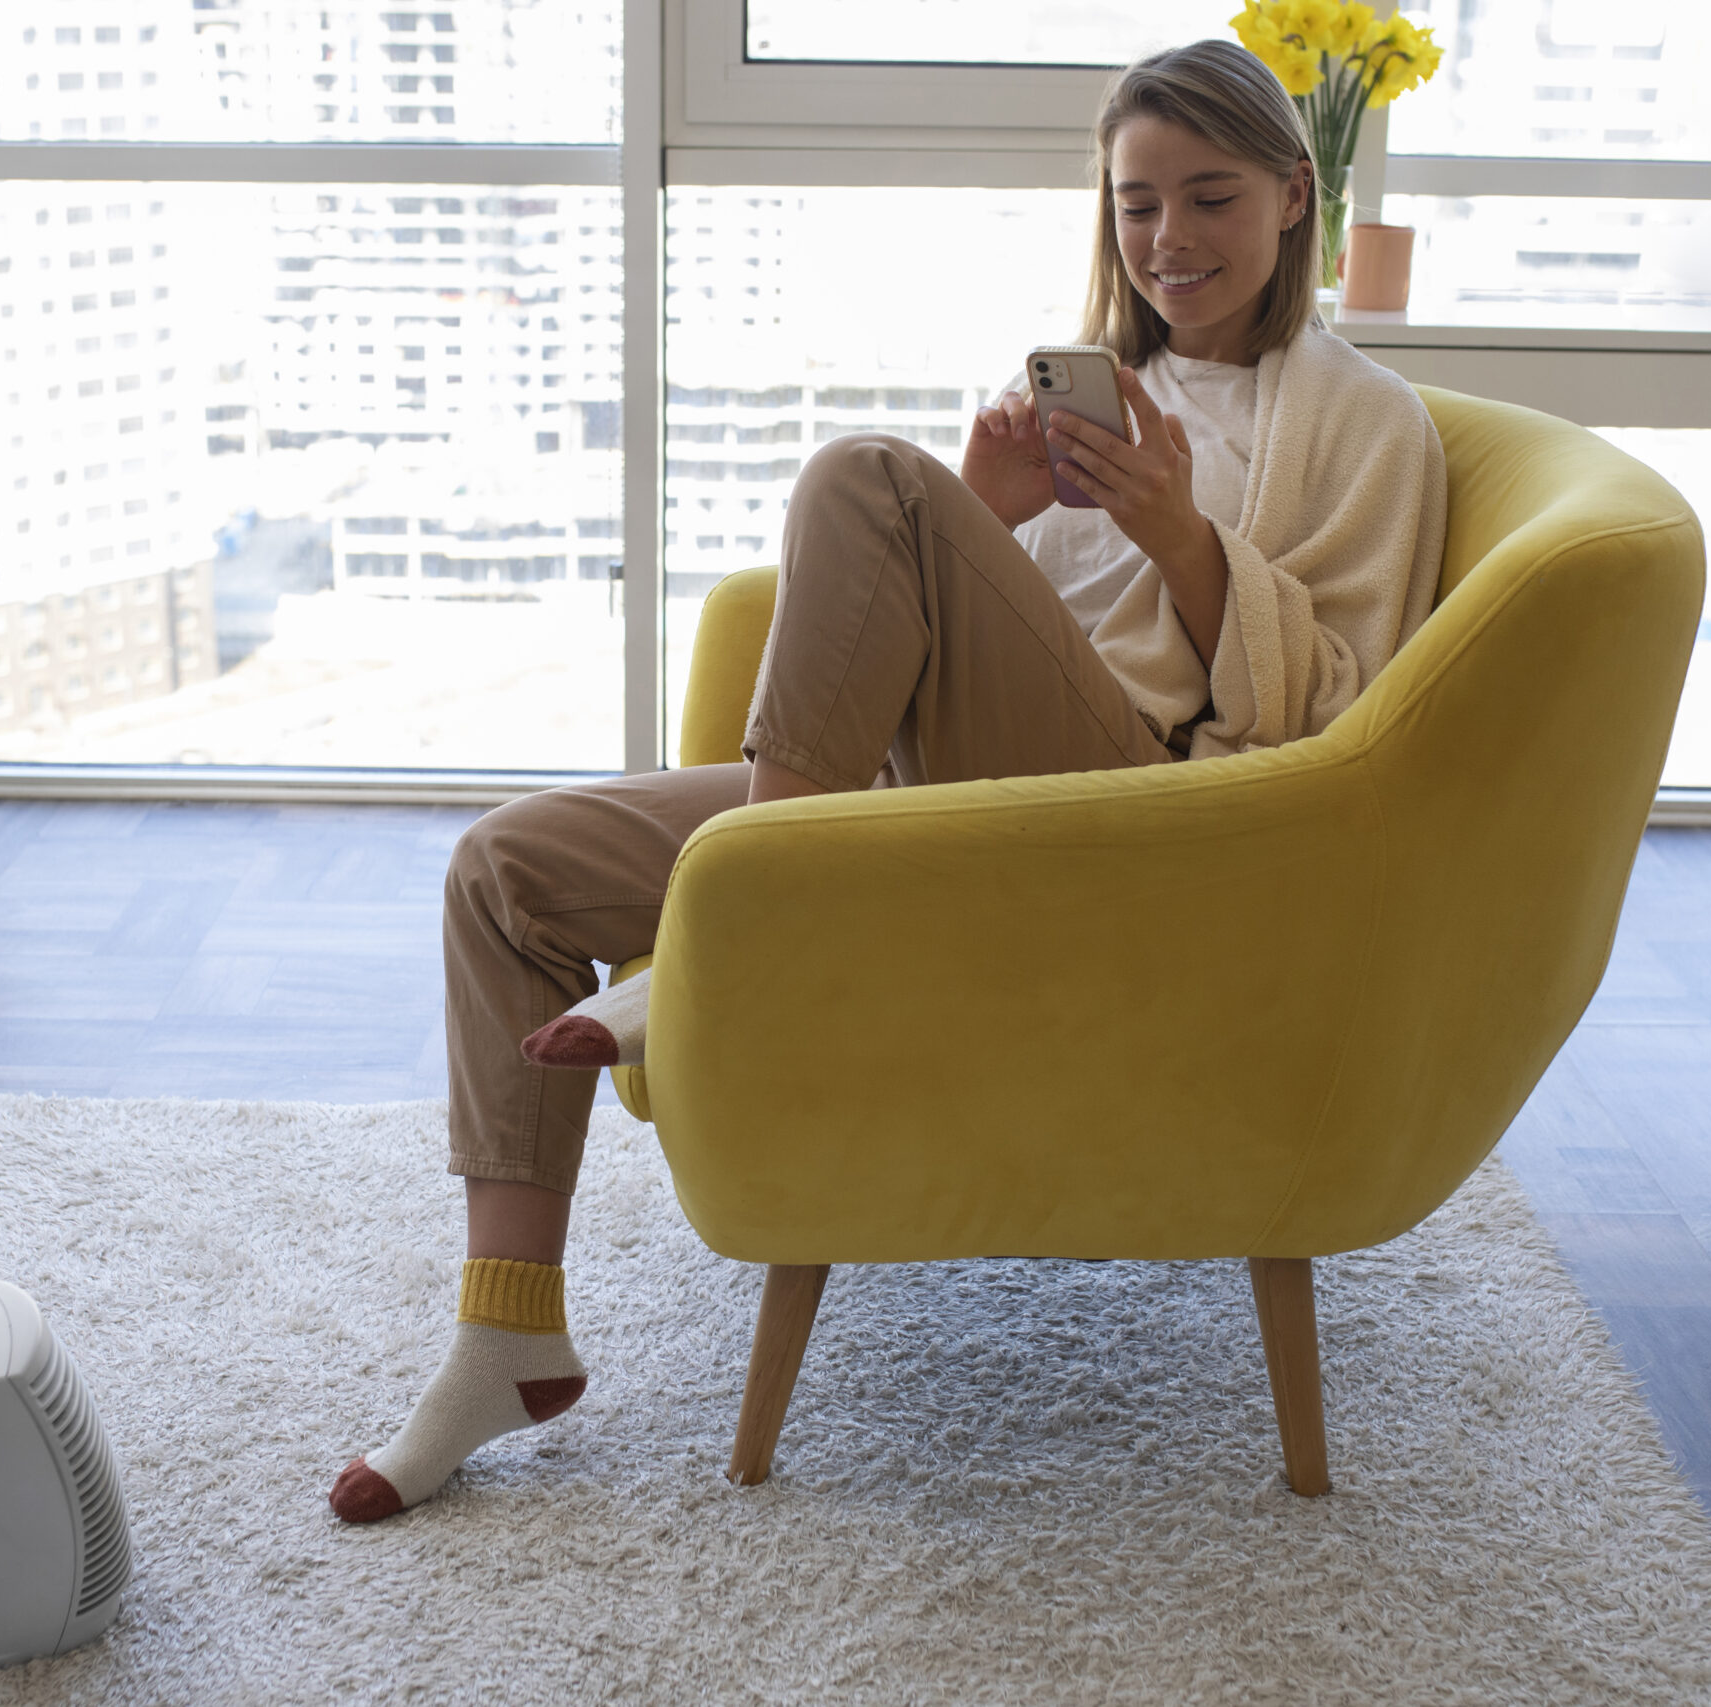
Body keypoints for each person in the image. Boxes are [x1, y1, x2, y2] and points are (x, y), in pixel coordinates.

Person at [328, 36, 1448, 1524]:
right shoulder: (1087, 398)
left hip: (1145, 828)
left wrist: (1184, 537)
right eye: (1135, 206)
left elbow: (1340, 723)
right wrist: (986, 512)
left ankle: (750, 927)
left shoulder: (1373, 427)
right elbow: (946, 650)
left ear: (1298, 198)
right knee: (506, 873)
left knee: (863, 470)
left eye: (1211, 198)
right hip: (944, 788)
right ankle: (505, 1331)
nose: (1169, 241)